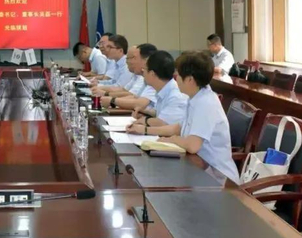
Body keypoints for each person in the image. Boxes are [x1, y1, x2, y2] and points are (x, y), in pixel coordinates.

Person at [158, 51, 239, 183]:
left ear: (190, 80)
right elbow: (180, 128)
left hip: (218, 179)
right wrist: (148, 131)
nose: (175, 79)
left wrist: (172, 140)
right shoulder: (196, 97)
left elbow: (192, 145)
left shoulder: (205, 103)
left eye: (178, 76)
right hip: (199, 168)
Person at [126, 51, 188, 136]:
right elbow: (161, 113)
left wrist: (145, 122)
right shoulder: (163, 89)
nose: (143, 73)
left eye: (144, 69)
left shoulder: (176, 95)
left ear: (152, 74)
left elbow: (164, 123)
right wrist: (145, 112)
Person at [99, 44, 158, 111]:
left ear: (146, 60)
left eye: (134, 58)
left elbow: (140, 104)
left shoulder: (154, 78)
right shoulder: (144, 77)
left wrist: (112, 100)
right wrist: (111, 100)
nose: (127, 61)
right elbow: (135, 97)